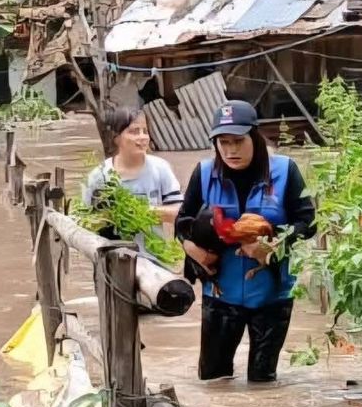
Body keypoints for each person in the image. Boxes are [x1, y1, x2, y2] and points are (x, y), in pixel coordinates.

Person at [175, 101, 316, 384]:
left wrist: (275, 245)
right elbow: (182, 223)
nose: (231, 150)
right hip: (220, 295)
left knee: (263, 383)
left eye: (238, 141)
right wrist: (193, 251)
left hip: (272, 295)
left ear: (255, 136)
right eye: (223, 142)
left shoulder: (285, 171)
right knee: (213, 381)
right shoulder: (204, 173)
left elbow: (308, 222)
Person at [80, 106, 184, 232]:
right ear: (116, 137)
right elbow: (83, 220)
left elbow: (180, 212)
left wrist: (145, 211)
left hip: (152, 245)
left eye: (145, 131)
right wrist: (109, 216)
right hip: (110, 244)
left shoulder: (160, 168)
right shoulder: (99, 176)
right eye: (134, 131)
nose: (143, 137)